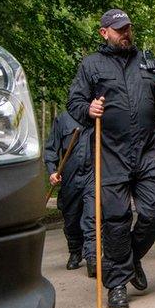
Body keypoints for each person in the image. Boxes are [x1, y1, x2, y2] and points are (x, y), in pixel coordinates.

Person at [68, 8, 155, 308]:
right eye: (119, 30)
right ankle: (117, 283)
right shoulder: (91, 64)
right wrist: (88, 110)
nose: (125, 33)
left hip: (147, 150)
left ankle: (129, 257)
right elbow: (74, 102)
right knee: (115, 220)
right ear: (104, 32)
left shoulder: (147, 60)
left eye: (128, 28)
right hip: (110, 152)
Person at [43, 111, 95, 275]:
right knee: (71, 218)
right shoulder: (63, 119)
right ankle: (75, 250)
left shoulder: (99, 116)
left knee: (92, 216)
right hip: (70, 175)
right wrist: (52, 171)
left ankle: (92, 257)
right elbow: (51, 148)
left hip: (92, 174)